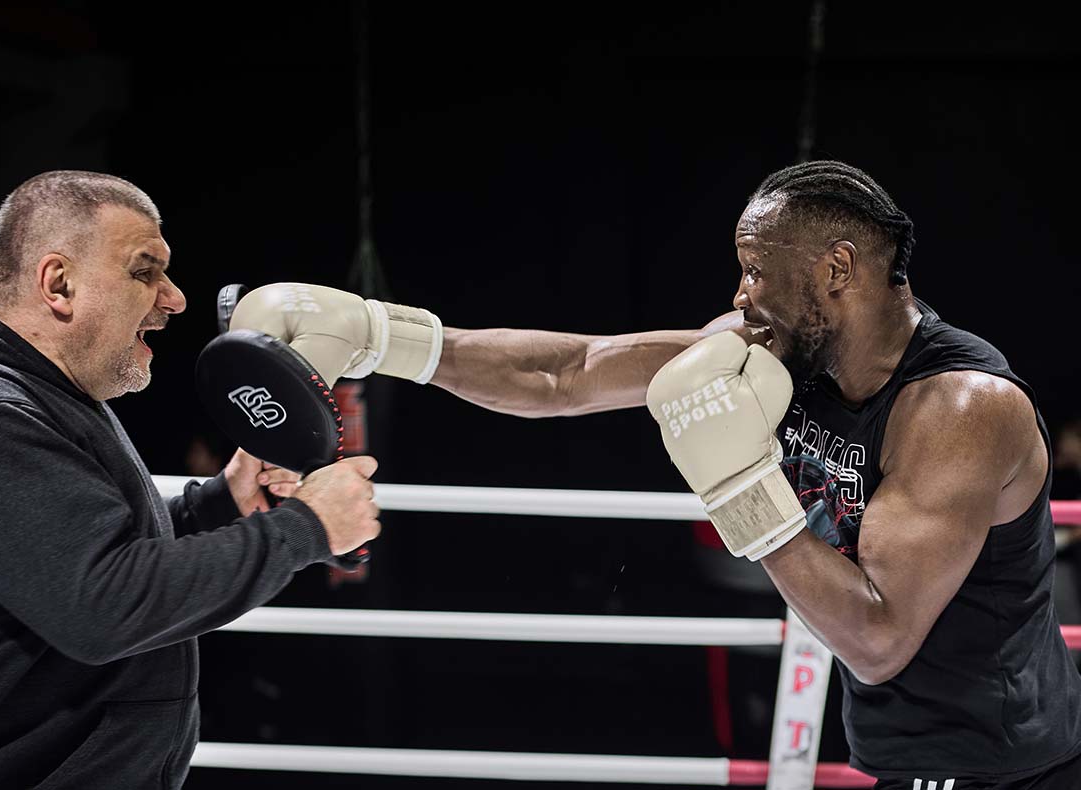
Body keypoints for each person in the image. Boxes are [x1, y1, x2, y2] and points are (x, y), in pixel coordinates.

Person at [252, 160, 1081, 788]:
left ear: (836, 270)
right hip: (905, 753)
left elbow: (877, 639)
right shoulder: (775, 353)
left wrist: (740, 489)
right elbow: (569, 373)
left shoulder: (960, 410)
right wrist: (384, 338)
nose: (741, 293)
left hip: (1007, 764)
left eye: (756, 268)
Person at [0, 170, 381, 789]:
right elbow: (103, 604)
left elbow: (61, 559)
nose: (175, 299)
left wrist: (220, 505)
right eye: (145, 272)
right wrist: (306, 528)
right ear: (58, 283)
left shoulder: (30, 390)